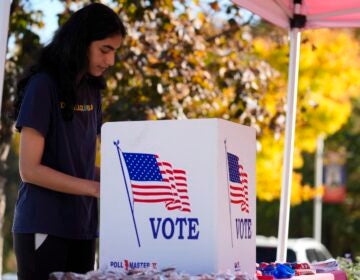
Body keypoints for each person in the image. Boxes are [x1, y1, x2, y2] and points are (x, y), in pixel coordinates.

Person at [12, 3, 126, 280]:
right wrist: (93, 188)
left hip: (83, 228)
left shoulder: (92, 90)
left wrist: (121, 179)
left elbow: (81, 165)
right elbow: (29, 169)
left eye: (115, 52)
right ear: (81, 42)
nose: (110, 61)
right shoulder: (43, 85)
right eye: (105, 49)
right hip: (44, 226)